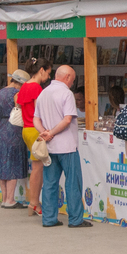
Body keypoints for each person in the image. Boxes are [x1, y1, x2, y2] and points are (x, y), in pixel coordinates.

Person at [35, 65, 88, 228]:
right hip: (67, 146)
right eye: (72, 79)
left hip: (49, 148)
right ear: (66, 77)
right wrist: (52, 132)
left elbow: (35, 119)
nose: (72, 83)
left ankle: (49, 218)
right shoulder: (66, 93)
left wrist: (45, 132)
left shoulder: (43, 93)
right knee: (72, 182)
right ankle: (75, 219)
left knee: (50, 183)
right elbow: (67, 120)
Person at [17, 58, 52, 215]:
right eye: (48, 73)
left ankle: (33, 203)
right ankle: (34, 202)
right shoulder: (37, 88)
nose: (49, 77)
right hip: (35, 129)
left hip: (26, 128)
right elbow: (41, 111)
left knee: (36, 167)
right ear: (42, 70)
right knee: (38, 169)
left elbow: (18, 103)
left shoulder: (24, 85)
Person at [0, 69, 30, 209]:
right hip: (14, 128)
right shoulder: (17, 94)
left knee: (3, 162)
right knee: (13, 162)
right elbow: (20, 110)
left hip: (1, 128)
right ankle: (10, 199)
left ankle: (4, 198)